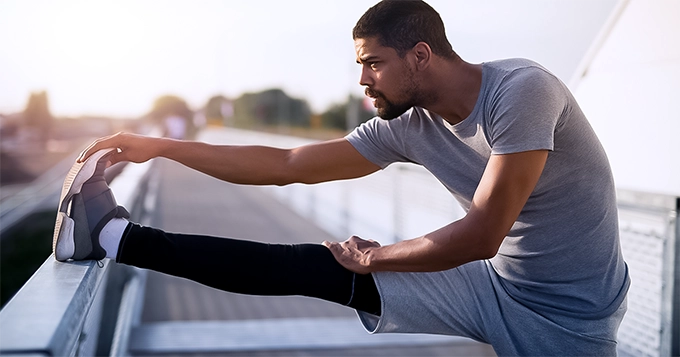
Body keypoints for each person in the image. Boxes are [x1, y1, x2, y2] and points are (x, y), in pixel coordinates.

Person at [53, 0, 630, 355]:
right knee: (313, 266)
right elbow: (287, 167)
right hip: (494, 285)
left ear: (421, 56)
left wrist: (377, 256)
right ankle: (111, 237)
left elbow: (482, 232)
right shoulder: (409, 126)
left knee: (351, 262)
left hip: (571, 315)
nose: (363, 81)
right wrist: (160, 147)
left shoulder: (523, 91)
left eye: (372, 63)